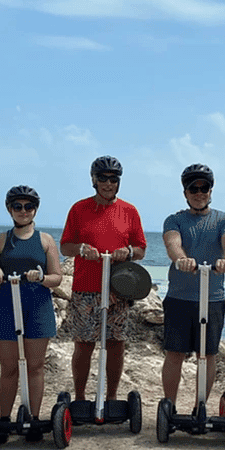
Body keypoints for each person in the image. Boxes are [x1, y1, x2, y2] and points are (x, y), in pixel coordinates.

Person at [59, 155, 147, 405]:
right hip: (86, 288)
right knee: (84, 345)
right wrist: (82, 249)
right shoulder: (79, 209)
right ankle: (80, 398)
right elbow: (65, 246)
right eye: (103, 179)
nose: (108, 184)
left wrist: (127, 252)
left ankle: (111, 397)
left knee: (115, 344)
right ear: (94, 180)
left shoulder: (129, 211)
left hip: (118, 289)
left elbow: (140, 248)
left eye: (113, 179)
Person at [0, 186, 62, 441]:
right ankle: (4, 420)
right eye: (17, 206)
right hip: (8, 304)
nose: (23, 211)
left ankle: (33, 418)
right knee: (9, 367)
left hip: (38, 305)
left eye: (28, 207)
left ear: (35, 210)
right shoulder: (0, 240)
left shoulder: (46, 240)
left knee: (35, 366)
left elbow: (57, 278)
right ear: (10, 209)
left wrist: (41, 277)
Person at [161, 164, 225, 411]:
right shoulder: (175, 220)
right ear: (185, 192)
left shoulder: (224, 219)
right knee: (174, 354)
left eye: (203, 188)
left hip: (213, 298)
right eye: (193, 188)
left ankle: (200, 406)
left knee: (207, 355)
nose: (198, 192)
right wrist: (181, 259)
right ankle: (169, 406)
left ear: (210, 190)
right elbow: (173, 243)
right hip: (179, 298)